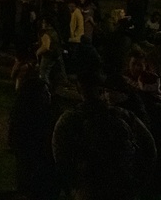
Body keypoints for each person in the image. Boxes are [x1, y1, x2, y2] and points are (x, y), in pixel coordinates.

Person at [52, 70, 157, 200]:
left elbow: (59, 156)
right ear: (101, 89)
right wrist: (139, 181)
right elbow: (149, 146)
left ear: (79, 90)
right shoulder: (123, 115)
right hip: (122, 185)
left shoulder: (69, 119)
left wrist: (74, 187)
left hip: (88, 188)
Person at [8, 76, 59, 200]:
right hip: (32, 164)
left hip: (44, 167)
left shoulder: (50, 114)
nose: (48, 95)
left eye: (48, 92)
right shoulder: (25, 117)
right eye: (44, 92)